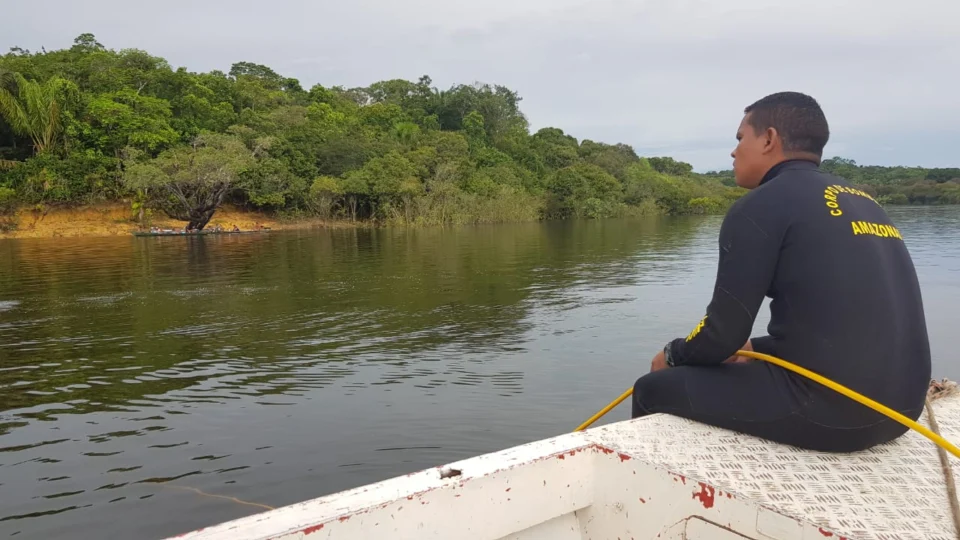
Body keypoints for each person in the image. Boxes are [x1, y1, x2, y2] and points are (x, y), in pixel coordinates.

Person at [632, 91, 931, 453]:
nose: (733, 151)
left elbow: (721, 335)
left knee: (653, 388)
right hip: (904, 410)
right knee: (742, 355)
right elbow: (840, 327)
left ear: (769, 139)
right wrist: (755, 347)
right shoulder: (862, 200)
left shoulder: (758, 207)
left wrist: (673, 353)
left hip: (839, 416)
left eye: (741, 138)